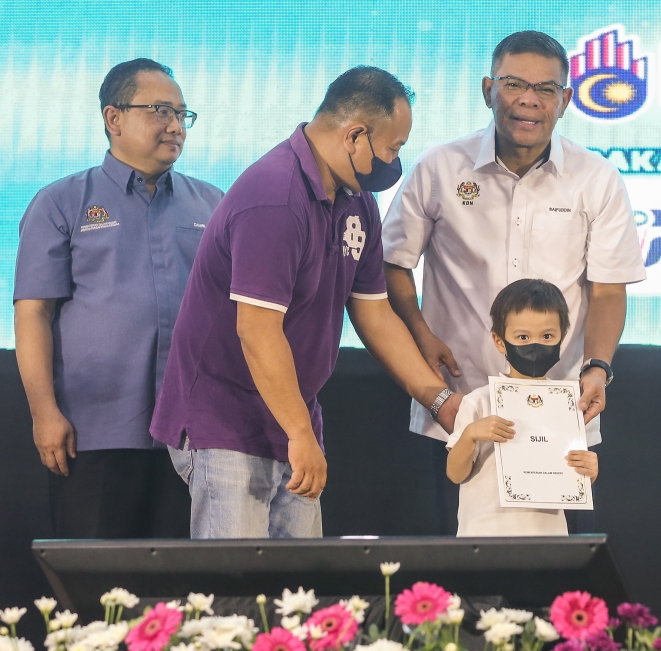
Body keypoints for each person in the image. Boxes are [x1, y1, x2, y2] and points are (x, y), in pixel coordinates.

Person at [150, 66, 461, 539]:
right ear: (355, 135)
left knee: (296, 597)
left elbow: (375, 313)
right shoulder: (274, 196)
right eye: (394, 147)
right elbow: (257, 331)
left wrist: (439, 401)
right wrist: (300, 434)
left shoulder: (357, 201)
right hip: (226, 421)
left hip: (291, 417)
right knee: (235, 595)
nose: (396, 160)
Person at [382, 31, 644, 533]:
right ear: (487, 89)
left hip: (557, 412)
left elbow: (609, 288)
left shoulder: (597, 178)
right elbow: (393, 264)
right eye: (514, 84)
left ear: (566, 100)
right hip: (457, 401)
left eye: (546, 89)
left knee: (548, 566)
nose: (529, 100)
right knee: (457, 566)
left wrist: (598, 369)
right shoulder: (441, 167)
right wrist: (421, 335)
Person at [13, 58, 221, 538]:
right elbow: (33, 314)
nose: (175, 126)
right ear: (114, 118)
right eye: (160, 111)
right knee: (99, 591)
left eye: (182, 115)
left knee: (183, 595)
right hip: (93, 430)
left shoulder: (212, 204)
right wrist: (45, 412)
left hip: (193, 434)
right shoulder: (62, 201)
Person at [446, 279, 598, 536]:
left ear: (562, 338)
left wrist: (588, 471)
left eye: (547, 336)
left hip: (549, 539)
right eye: (523, 337)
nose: (535, 345)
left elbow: (572, 477)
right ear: (500, 341)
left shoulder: (569, 403)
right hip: (485, 536)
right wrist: (471, 434)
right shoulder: (479, 401)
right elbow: (455, 474)